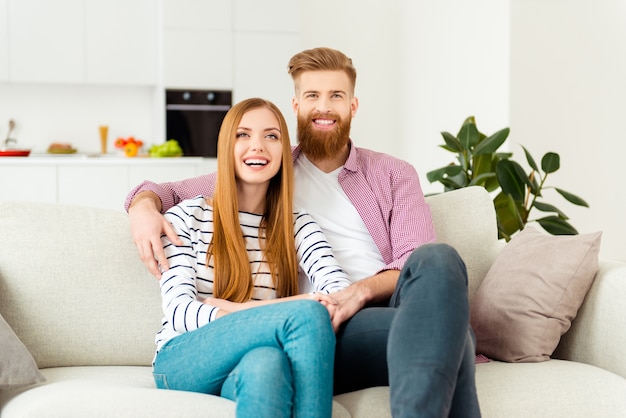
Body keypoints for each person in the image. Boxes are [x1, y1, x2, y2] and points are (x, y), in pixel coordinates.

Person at [127, 48, 481, 418]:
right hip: (307, 327)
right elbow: (168, 192)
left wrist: (356, 294)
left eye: (336, 96)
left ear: (353, 106)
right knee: (457, 337)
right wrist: (142, 206)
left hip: (367, 311)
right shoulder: (252, 175)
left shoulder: (383, 178)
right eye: (313, 96)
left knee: (438, 260)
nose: (323, 108)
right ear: (296, 106)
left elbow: (406, 261)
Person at [151, 97, 351, 418]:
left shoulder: (298, 225)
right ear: (225, 148)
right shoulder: (186, 216)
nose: (257, 146)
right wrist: (277, 311)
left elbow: (337, 293)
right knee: (306, 316)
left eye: (271, 136)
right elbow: (179, 311)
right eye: (242, 135)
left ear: (285, 152)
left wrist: (229, 307)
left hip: (253, 355)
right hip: (183, 357)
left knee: (267, 365)